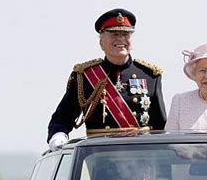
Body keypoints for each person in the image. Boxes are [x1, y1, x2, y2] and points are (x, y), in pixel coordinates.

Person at [48, 8, 167, 151]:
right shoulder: (85, 76)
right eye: (114, 34)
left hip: (141, 154)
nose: (121, 39)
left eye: (126, 34)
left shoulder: (149, 75)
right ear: (101, 42)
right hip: (101, 156)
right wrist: (59, 137)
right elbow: (62, 118)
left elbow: (161, 125)